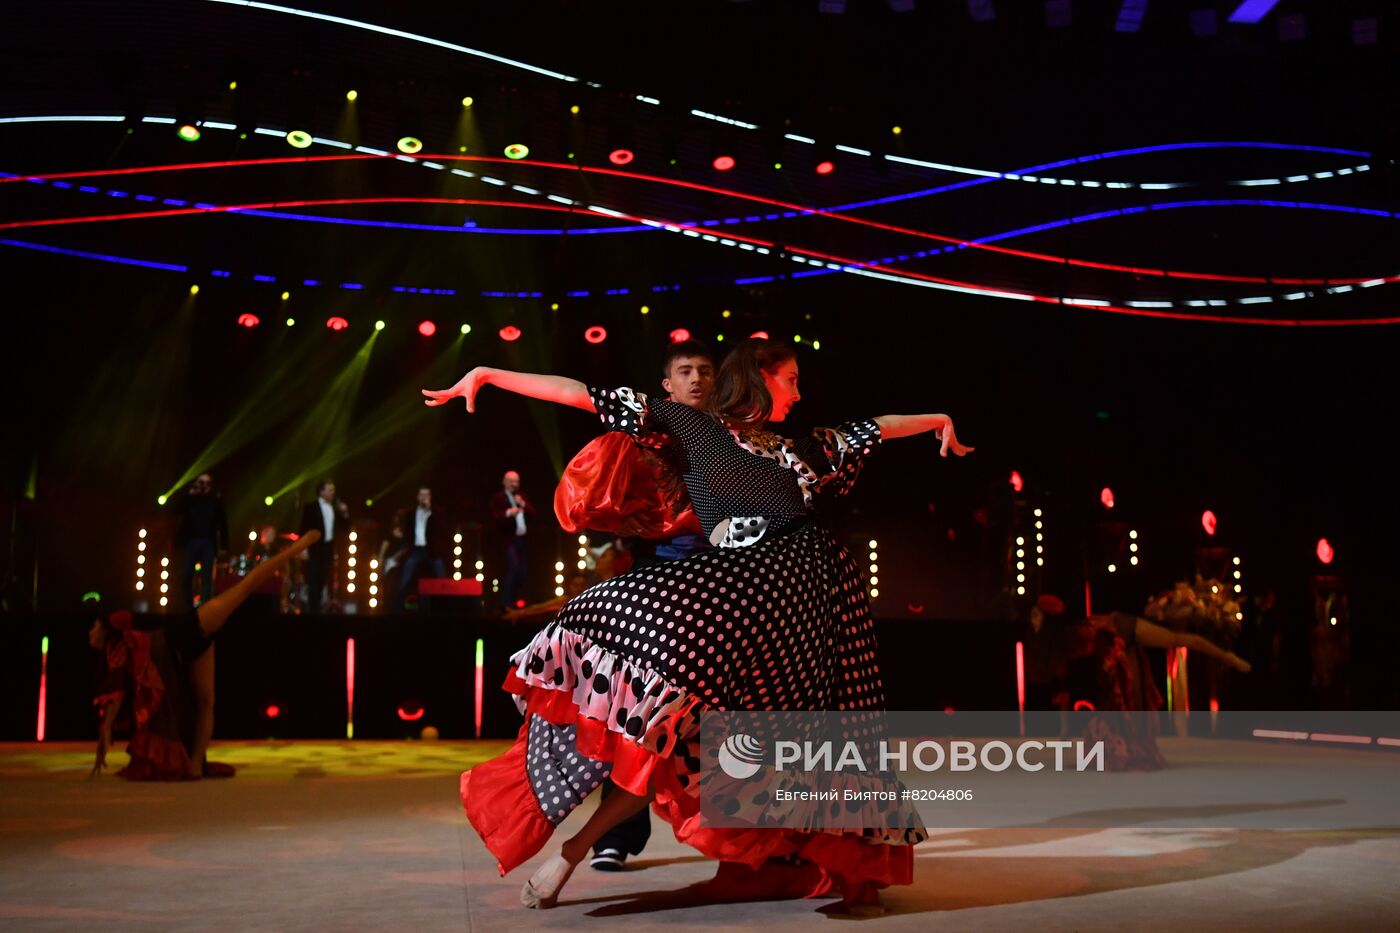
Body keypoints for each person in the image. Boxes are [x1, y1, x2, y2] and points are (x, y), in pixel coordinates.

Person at [424, 337, 973, 915]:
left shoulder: (804, 448)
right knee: (663, 720)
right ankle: (576, 849)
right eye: (791, 379)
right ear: (760, 375)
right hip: (735, 594)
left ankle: (843, 872)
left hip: (808, 603)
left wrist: (939, 419)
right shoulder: (697, 428)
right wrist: (489, 374)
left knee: (816, 734)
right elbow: (582, 394)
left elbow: (878, 427)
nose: (799, 392)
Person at [553, 339, 714, 872]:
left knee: (727, 712)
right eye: (685, 371)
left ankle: (749, 842)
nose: (697, 379)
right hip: (658, 580)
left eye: (705, 370)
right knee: (639, 708)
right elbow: (583, 497)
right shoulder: (645, 430)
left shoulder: (731, 435)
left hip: (724, 583)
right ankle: (615, 835)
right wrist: (619, 519)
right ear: (667, 384)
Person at [91, 530, 321, 780]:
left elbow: (116, 691)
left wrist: (107, 729)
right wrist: (105, 730)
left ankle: (195, 764)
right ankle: (194, 765)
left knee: (245, 587)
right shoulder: (117, 651)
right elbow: (116, 692)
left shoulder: (121, 642)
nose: (90, 633)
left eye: (93, 628)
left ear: (105, 629)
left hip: (189, 630)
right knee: (205, 703)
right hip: (184, 646)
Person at [172, 473, 229, 608]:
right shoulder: (191, 498)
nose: (203, 485)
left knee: (207, 576)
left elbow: (223, 524)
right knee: (186, 574)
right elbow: (176, 510)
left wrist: (223, 546)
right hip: (191, 542)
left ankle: (205, 606)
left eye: (206, 483)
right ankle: (187, 606)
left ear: (211, 485)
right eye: (201, 482)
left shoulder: (216, 500)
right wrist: (190, 494)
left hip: (208, 542)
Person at [395, 486, 448, 610]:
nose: (424, 498)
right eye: (422, 495)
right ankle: (398, 607)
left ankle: (445, 607)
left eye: (426, 495)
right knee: (405, 579)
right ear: (418, 497)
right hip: (416, 550)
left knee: (442, 580)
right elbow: (407, 532)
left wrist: (430, 511)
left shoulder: (437, 512)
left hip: (432, 551)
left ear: (430, 497)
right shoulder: (411, 513)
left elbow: (442, 529)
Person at [300, 481, 348, 612]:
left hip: (328, 548)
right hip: (314, 548)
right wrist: (303, 548)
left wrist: (344, 512)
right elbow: (304, 528)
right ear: (321, 492)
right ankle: (313, 610)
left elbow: (344, 527)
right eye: (330, 490)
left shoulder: (334, 508)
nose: (333, 492)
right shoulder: (311, 507)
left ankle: (319, 607)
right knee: (313, 580)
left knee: (324, 579)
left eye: (333, 490)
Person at [489, 471, 535, 610]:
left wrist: (523, 504)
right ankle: (505, 603)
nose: (515, 484)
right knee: (513, 568)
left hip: (522, 540)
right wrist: (509, 513)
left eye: (517, 482)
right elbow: (494, 517)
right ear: (505, 482)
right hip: (508, 540)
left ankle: (514, 601)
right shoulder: (498, 498)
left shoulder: (522, 497)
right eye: (512, 481)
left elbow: (533, 513)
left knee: (523, 572)